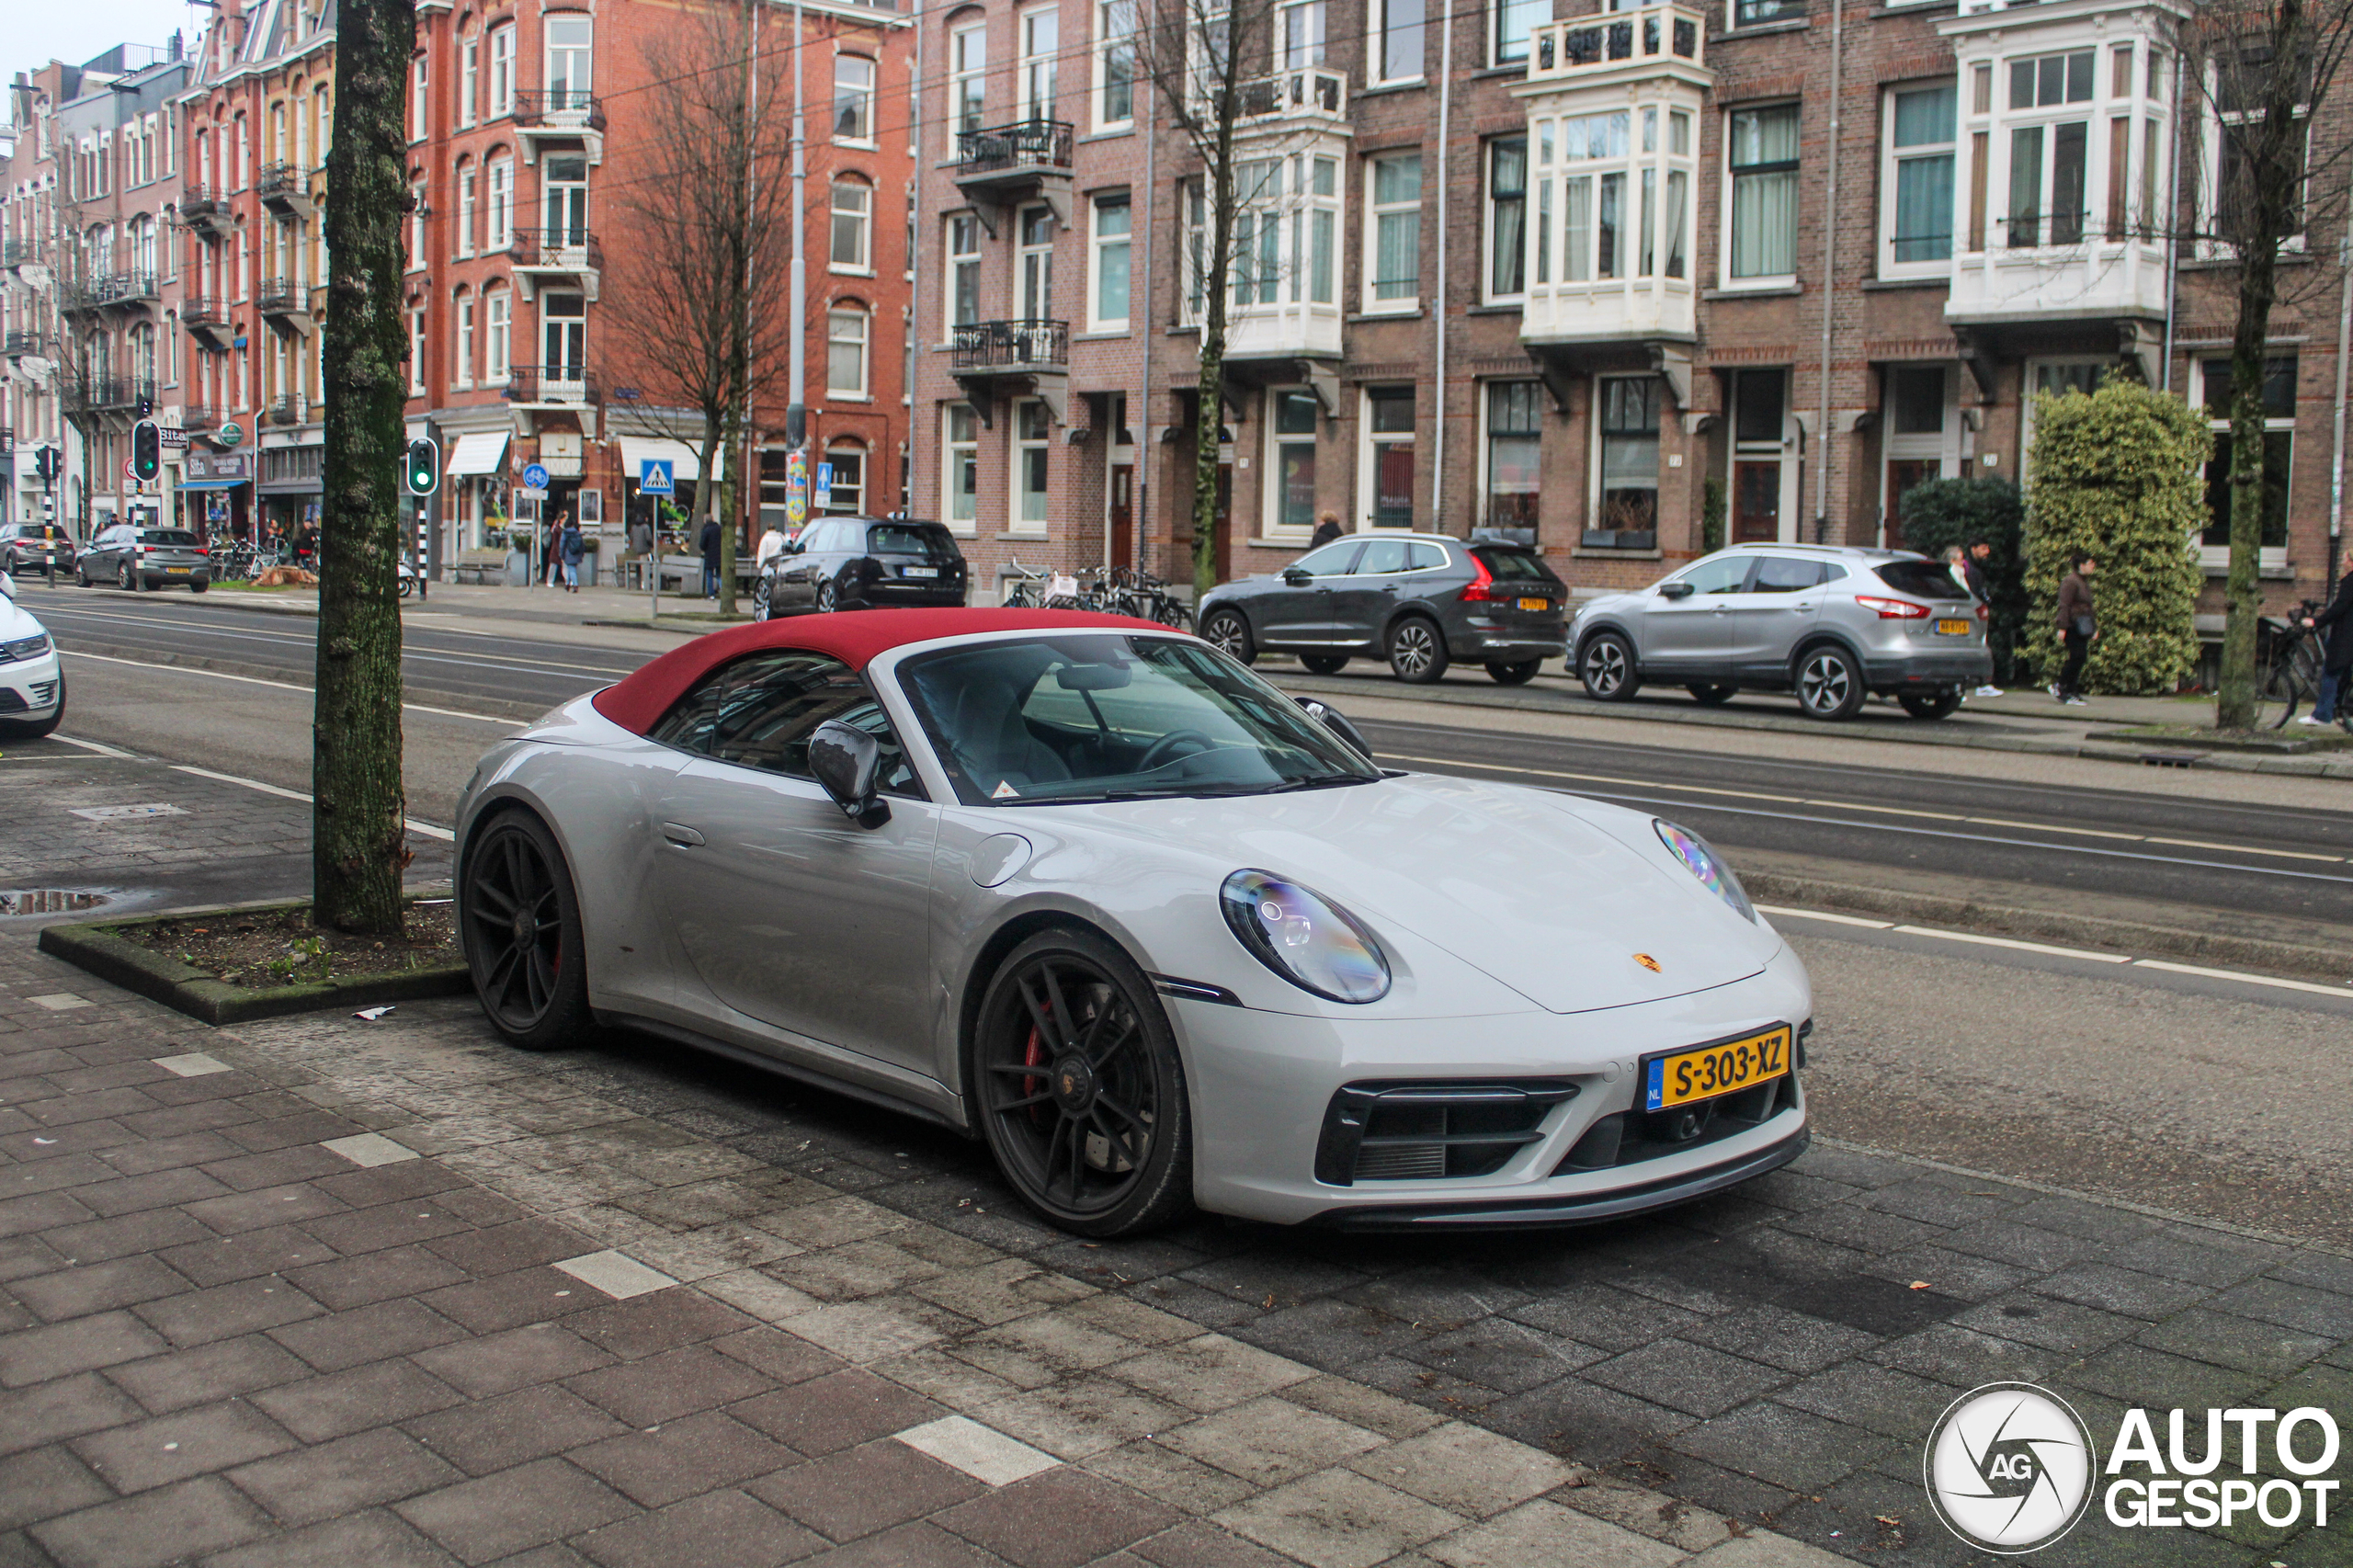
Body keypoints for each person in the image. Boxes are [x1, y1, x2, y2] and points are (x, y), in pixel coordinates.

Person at [2297, 558, 2353, 728]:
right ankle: (2344, 711)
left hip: (2345, 636)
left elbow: (2339, 607)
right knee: (2345, 674)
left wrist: (2316, 622)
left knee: (2330, 673)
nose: (2342, 561)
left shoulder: (2350, 581)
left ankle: (2322, 715)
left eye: (2345, 558)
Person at [2052, 551, 2097, 706]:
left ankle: (2072, 690)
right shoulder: (2071, 582)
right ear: (2081, 565)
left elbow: (2088, 607)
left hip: (2083, 625)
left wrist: (2094, 627)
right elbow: (2064, 605)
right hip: (2072, 625)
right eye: (2090, 563)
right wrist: (2062, 627)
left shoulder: (2083, 581)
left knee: (2080, 657)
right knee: (2077, 656)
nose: (2093, 566)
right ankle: (2062, 686)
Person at [1963, 538, 2003, 697]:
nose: (1987, 552)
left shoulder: (1975, 568)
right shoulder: (1969, 569)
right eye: (1984, 548)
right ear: (1973, 549)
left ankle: (1980, 683)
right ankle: (1980, 684)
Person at [559, 515, 585, 593]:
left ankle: (575, 585)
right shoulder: (577, 532)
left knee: (571, 569)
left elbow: (562, 544)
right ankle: (567, 585)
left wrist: (561, 555)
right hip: (577, 553)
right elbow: (582, 544)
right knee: (572, 568)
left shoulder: (565, 533)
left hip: (569, 552)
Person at [699, 517, 722, 598]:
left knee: (709, 575)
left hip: (709, 556)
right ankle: (723, 592)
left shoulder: (706, 530)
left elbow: (702, 544)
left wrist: (704, 549)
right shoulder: (720, 529)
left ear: (705, 521)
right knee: (719, 575)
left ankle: (711, 594)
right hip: (720, 555)